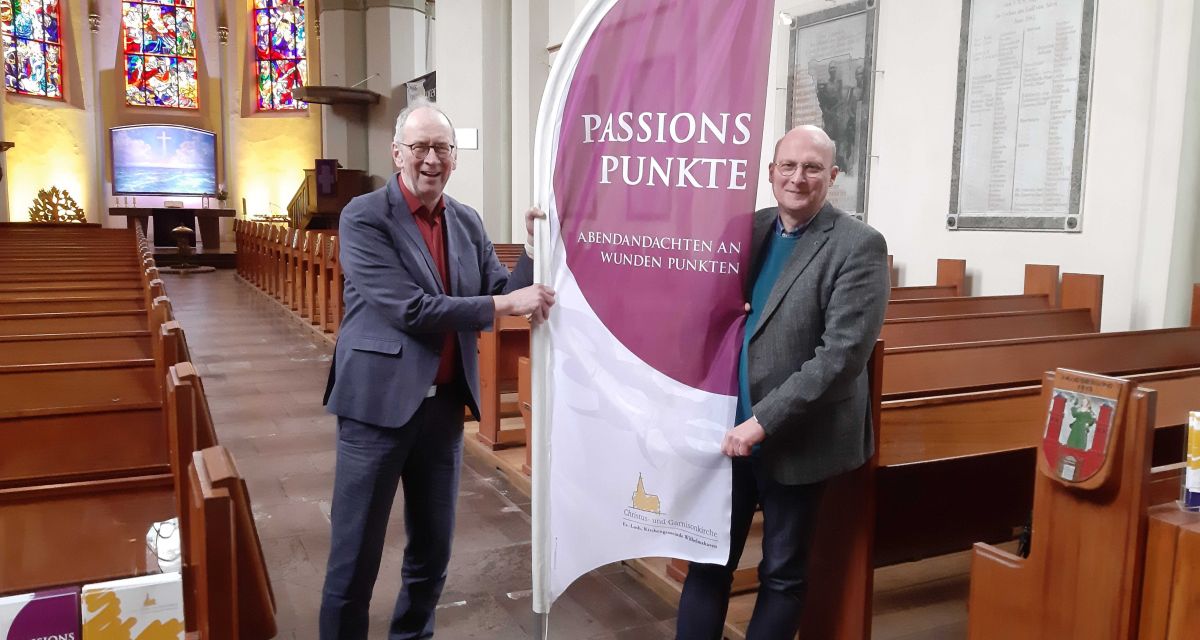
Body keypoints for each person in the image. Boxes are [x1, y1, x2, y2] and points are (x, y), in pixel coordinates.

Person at [319, 99, 555, 640]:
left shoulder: (465, 220)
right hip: (377, 408)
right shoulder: (364, 216)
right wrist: (503, 304)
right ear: (396, 152)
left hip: (443, 409)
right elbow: (411, 309)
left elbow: (500, 288)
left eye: (442, 148)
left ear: (455, 157)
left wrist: (534, 246)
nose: (432, 159)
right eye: (421, 147)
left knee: (432, 552)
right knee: (354, 559)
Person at [675, 125, 890, 639]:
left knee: (782, 573)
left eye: (812, 168)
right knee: (708, 561)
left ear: (832, 176)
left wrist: (763, 421)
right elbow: (708, 313)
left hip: (798, 437)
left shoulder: (859, 245)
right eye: (788, 166)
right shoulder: (745, 230)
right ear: (771, 172)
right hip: (726, 431)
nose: (798, 178)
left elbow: (842, 356)